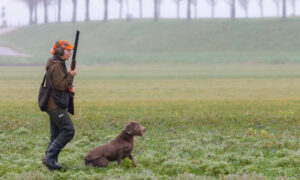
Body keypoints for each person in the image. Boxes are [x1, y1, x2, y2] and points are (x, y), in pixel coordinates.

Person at [42, 40, 77, 171]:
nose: (70, 53)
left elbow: (60, 85)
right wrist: (71, 76)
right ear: (60, 51)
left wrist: (70, 87)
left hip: (54, 105)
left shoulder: (57, 64)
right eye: (68, 50)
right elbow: (60, 85)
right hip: (55, 106)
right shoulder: (56, 66)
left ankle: (50, 165)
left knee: (55, 135)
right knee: (69, 130)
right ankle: (50, 157)